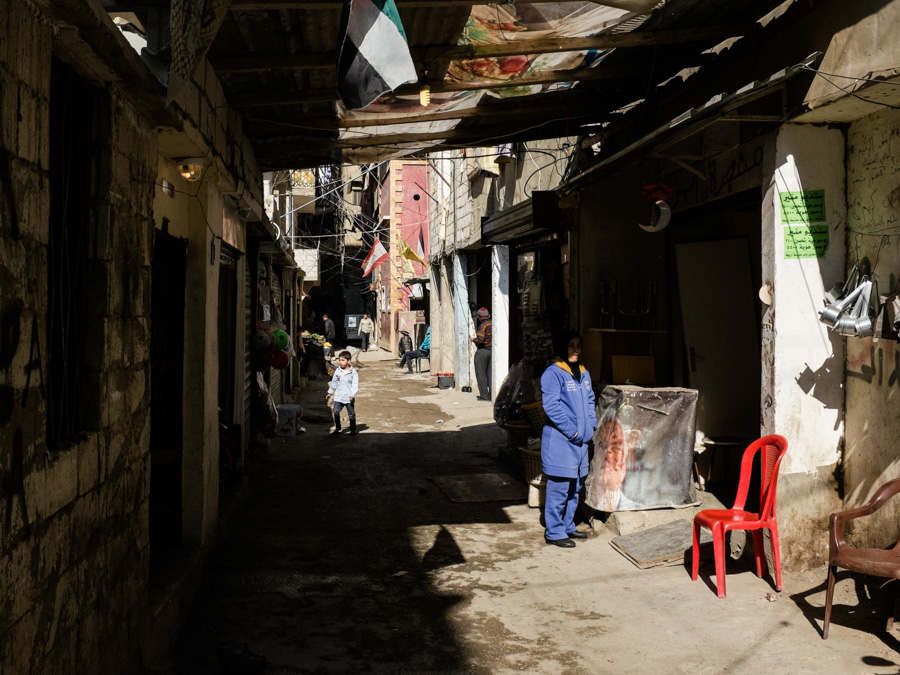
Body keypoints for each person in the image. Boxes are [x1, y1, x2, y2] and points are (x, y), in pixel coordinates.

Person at [540, 330, 597, 549]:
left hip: (581, 443)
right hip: (562, 441)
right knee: (559, 488)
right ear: (562, 347)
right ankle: (554, 532)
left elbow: (590, 400)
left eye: (578, 345)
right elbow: (551, 406)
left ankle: (567, 525)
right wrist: (572, 432)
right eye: (571, 345)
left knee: (575, 487)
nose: (575, 349)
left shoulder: (584, 372)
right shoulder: (553, 373)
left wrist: (590, 427)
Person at [327, 350, 359, 436]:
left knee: (351, 414)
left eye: (343, 360)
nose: (340, 362)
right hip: (338, 397)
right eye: (340, 360)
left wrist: (352, 395)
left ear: (349, 361)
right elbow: (334, 383)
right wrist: (330, 393)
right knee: (336, 411)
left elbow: (355, 385)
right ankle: (338, 428)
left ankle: (353, 430)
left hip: (349, 397)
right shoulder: (337, 371)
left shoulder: (353, 373)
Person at [471, 307, 492, 401]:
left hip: (483, 351)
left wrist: (473, 339)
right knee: (490, 374)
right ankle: (492, 394)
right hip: (492, 351)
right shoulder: (493, 323)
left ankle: (484, 395)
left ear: (480, 318)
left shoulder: (483, 325)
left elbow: (480, 340)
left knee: (481, 373)